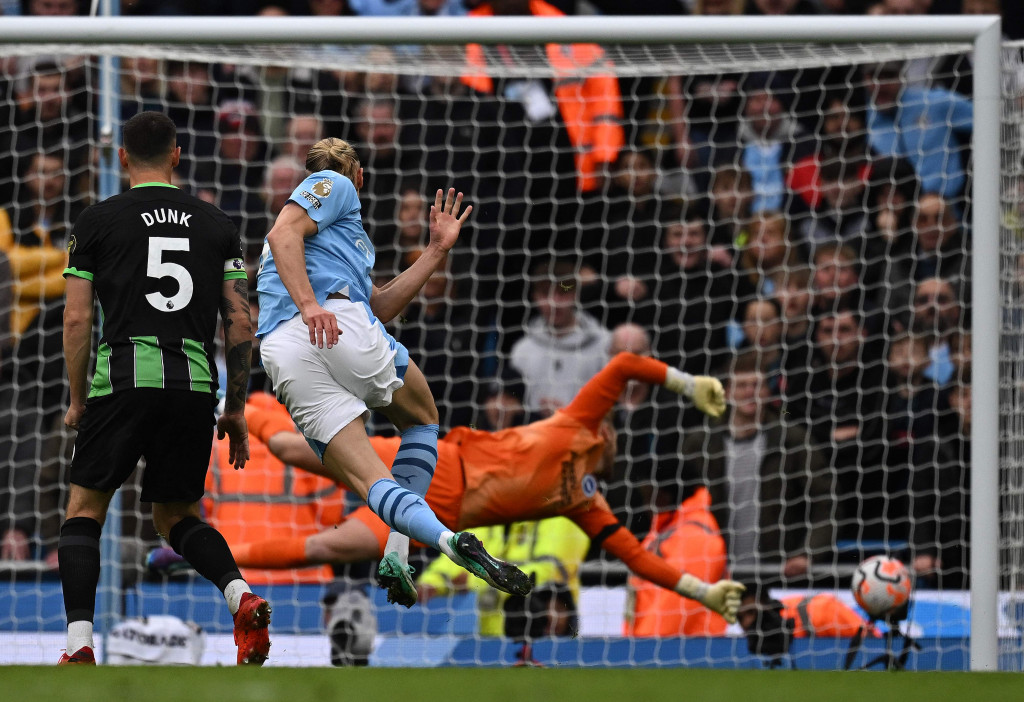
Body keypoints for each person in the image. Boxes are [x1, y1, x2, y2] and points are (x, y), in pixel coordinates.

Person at [197, 352, 746, 624]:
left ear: (610, 455)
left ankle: (200, 559)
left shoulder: (584, 501)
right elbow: (626, 364)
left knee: (330, 547)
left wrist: (703, 592)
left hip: (440, 515)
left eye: (611, 435)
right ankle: (243, 405)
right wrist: (688, 383)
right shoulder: (579, 422)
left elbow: (639, 560)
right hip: (439, 466)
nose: (605, 428)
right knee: (295, 448)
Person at [255, 136, 531, 609]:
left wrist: (436, 250)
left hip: (283, 351)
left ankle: (434, 545)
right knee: (422, 419)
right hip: (324, 321)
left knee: (371, 481)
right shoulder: (332, 185)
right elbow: (282, 235)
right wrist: (309, 306)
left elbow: (376, 308)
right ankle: (402, 547)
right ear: (360, 175)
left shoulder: (340, 242)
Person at [58, 111, 269, 666]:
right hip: (193, 384)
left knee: (84, 510)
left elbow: (77, 321)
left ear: (122, 157)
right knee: (176, 518)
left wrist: (79, 399)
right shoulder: (218, 224)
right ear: (177, 156)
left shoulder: (96, 221)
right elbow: (241, 321)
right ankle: (240, 595)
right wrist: (237, 408)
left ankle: (80, 645)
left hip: (122, 379)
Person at [684, 350, 833, 585]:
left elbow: (826, 501)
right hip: (711, 574)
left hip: (776, 575)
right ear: (728, 393)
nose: (749, 393)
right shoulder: (699, 443)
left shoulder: (792, 441)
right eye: (742, 385)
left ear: (767, 392)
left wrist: (807, 554)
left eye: (757, 385)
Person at [624, 469, 729, 637]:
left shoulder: (697, 538)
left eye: (648, 495)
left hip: (684, 655)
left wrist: (640, 653)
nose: (646, 505)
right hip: (654, 650)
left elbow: (672, 612)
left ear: (665, 495)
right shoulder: (664, 532)